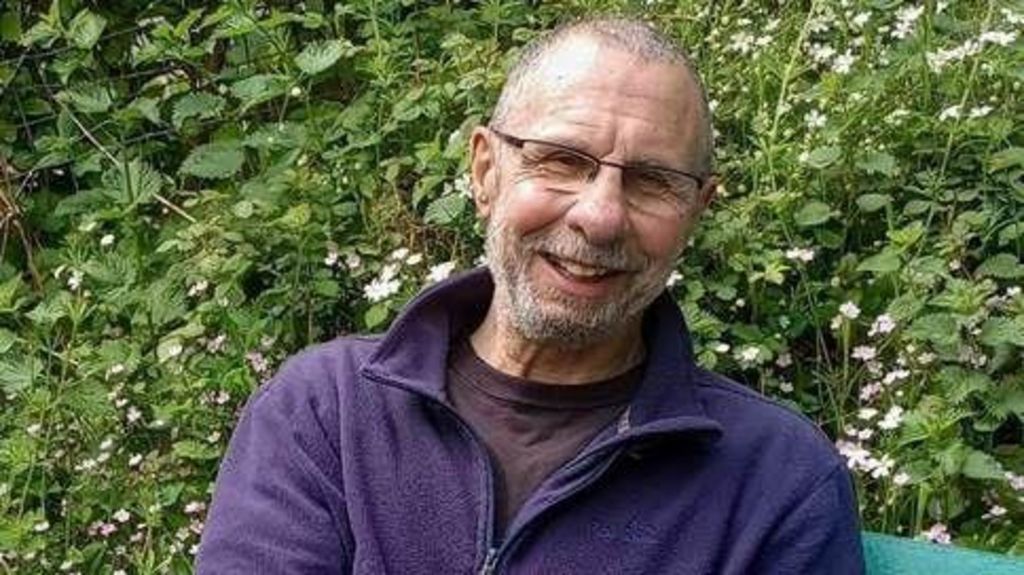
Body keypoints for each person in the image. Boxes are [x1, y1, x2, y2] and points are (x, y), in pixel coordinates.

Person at [197, 16, 864, 574]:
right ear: (485, 170)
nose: (600, 215)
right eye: (561, 160)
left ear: (698, 208)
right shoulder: (326, 412)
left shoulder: (775, 482)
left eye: (651, 180)